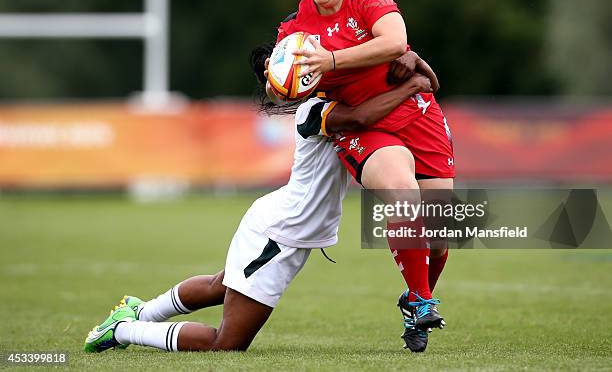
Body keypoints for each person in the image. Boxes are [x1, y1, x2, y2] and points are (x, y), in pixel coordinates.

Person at [83, 53, 434, 353]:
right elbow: (361, 118)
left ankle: (137, 311)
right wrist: (412, 84)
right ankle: (122, 330)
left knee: (218, 287)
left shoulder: (338, 98)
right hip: (278, 234)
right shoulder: (313, 112)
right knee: (227, 343)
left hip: (280, 225)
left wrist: (408, 59)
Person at [272, 0, 455, 352]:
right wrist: (278, 78)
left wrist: (331, 59)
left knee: (441, 233)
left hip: (417, 114)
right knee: (400, 191)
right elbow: (278, 80)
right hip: (366, 126)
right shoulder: (296, 25)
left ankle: (414, 299)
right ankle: (426, 301)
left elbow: (396, 41)